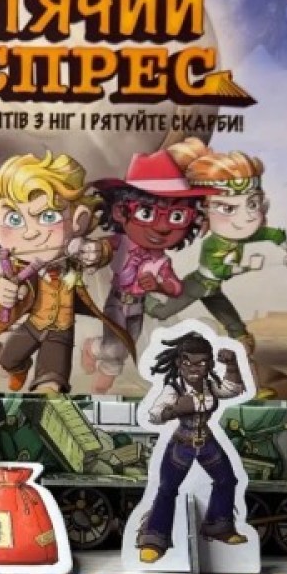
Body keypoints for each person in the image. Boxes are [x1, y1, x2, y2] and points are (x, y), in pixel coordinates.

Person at [0, 152, 132, 394]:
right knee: (7, 360)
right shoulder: (17, 263)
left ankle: (45, 397)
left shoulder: (73, 254)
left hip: (61, 330)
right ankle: (20, 368)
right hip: (32, 325)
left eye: (48, 216)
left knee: (51, 382)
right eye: (14, 219)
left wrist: (96, 251)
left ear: (79, 220)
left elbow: (101, 251)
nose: (31, 233)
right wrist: (3, 289)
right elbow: (3, 282)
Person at [82, 143, 212, 392]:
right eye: (146, 213)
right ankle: (96, 355)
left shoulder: (161, 261)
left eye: (176, 216)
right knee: (115, 347)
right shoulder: (121, 242)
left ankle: (100, 361)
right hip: (117, 302)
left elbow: (175, 288)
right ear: (119, 212)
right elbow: (103, 248)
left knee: (127, 344)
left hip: (138, 307)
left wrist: (160, 286)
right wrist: (94, 252)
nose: (162, 227)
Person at [146, 150, 287, 354]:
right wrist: (247, 267)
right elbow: (219, 269)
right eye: (228, 209)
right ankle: (143, 298)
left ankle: (241, 343)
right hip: (197, 285)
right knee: (162, 312)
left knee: (234, 323)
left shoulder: (241, 235)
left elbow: (272, 234)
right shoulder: (213, 243)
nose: (246, 217)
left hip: (213, 289)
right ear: (204, 211)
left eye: (252, 205)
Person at [137, 330, 250, 561]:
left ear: (209, 364)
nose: (194, 369)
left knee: (227, 480)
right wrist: (175, 409)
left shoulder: (210, 385)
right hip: (181, 444)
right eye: (188, 363)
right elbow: (154, 415)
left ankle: (219, 527)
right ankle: (154, 539)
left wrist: (232, 365)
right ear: (179, 363)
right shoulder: (173, 388)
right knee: (167, 489)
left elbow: (232, 389)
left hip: (207, 442)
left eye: (202, 363)